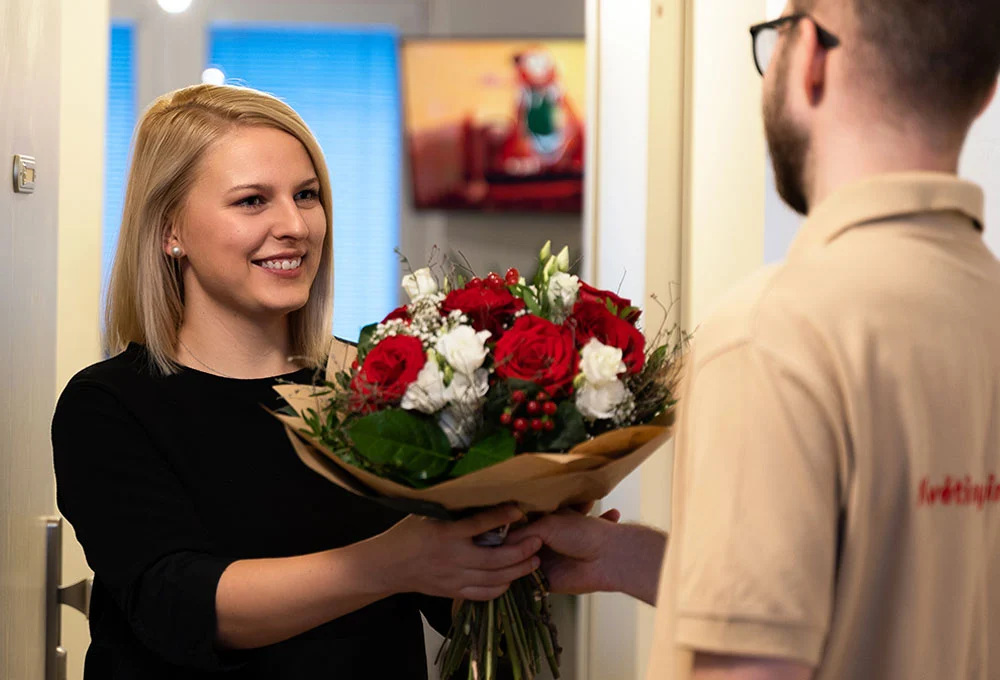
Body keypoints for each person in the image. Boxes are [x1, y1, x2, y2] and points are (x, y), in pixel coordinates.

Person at [511, 0, 1000, 678]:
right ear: (983, 90)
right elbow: (905, 590)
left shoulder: (774, 335)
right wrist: (630, 559)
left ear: (813, 57)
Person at [51, 84, 541, 679]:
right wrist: (392, 562)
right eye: (253, 201)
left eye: (306, 195)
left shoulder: (377, 380)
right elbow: (177, 606)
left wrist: (525, 528)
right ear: (168, 231)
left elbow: (448, 595)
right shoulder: (107, 406)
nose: (296, 225)